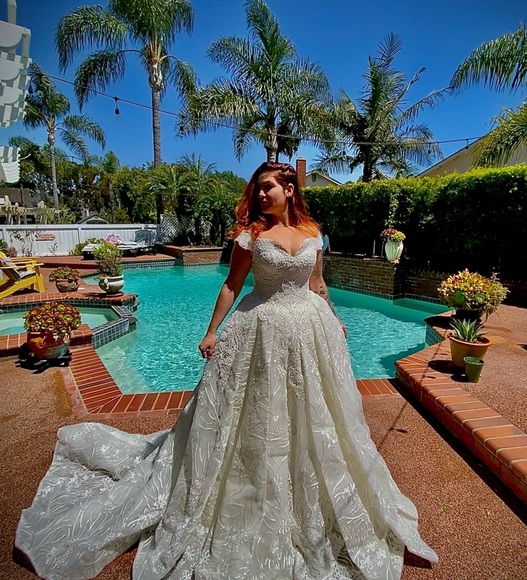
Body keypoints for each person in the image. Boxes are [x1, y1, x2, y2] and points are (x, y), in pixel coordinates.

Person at [15, 162, 437, 579]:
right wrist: (212, 330)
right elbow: (233, 284)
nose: (261, 195)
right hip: (260, 328)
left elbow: (317, 283)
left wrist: (335, 317)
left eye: (268, 187)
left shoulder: (312, 232)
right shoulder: (251, 236)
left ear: (289, 190)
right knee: (253, 411)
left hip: (311, 327)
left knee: (314, 411)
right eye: (257, 189)